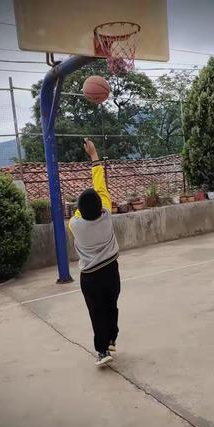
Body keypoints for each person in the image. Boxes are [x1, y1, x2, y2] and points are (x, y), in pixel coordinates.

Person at [69, 138, 120, 367]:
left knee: (96, 313)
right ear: (101, 206)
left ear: (80, 211)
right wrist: (94, 155)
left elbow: (84, 209)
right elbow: (100, 186)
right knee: (111, 306)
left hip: (90, 277)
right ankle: (111, 338)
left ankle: (102, 351)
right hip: (111, 272)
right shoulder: (107, 214)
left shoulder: (75, 224)